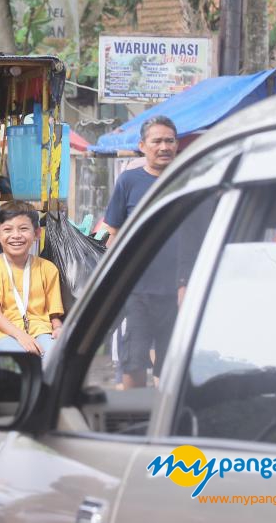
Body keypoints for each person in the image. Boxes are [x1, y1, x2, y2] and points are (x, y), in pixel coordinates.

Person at [104, 115, 179, 389]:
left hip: (179, 290)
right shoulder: (129, 181)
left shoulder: (189, 178)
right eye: (156, 141)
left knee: (172, 365)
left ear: (177, 144)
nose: (164, 147)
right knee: (132, 360)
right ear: (142, 145)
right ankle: (129, 422)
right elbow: (113, 232)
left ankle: (163, 425)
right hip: (136, 289)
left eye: (169, 140)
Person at [0, 201, 63, 357]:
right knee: (17, 359)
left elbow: (54, 315)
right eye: (8, 229)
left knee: (53, 357)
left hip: (42, 331)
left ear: (36, 233)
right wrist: (21, 336)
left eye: (23, 229)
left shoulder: (48, 268)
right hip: (5, 333)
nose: (16, 235)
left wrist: (58, 329)